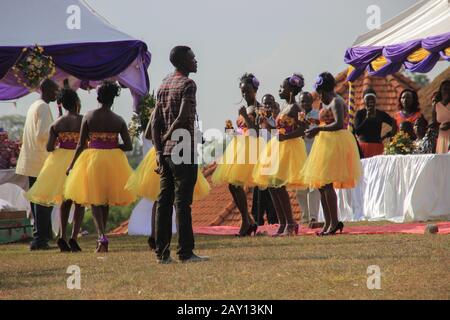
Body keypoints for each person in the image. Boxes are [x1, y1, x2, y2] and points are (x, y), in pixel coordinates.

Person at [151, 46, 208, 264]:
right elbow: (184, 117)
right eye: (192, 58)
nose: (196, 61)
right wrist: (167, 139)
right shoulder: (188, 84)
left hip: (165, 153)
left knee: (164, 201)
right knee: (182, 202)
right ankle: (185, 252)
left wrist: (158, 150)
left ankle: (162, 253)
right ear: (183, 62)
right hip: (183, 148)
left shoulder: (163, 83)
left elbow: (154, 122)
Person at [64, 81, 135, 253]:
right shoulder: (118, 120)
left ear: (98, 97)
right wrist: (113, 146)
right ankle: (101, 237)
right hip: (113, 160)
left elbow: (81, 144)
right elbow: (129, 145)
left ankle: (102, 236)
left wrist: (72, 165)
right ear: (113, 100)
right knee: (105, 199)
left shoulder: (88, 116)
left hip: (93, 158)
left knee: (95, 199)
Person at [125, 112, 211, 250]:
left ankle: (165, 236)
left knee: (167, 198)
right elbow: (149, 134)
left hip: (170, 153)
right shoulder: (173, 109)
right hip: (171, 153)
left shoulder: (170, 110)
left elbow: (149, 135)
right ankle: (164, 236)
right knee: (170, 198)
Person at [300, 72, 362, 236]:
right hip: (324, 143)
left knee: (327, 184)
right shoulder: (325, 103)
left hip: (336, 143)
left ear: (322, 90)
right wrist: (314, 125)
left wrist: (318, 128)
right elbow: (326, 121)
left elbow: (339, 124)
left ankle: (334, 222)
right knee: (321, 184)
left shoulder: (336, 101)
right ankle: (328, 222)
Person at [26, 88, 85, 252]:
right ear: (77, 103)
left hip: (59, 161)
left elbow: (50, 147)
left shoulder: (57, 123)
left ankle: (62, 236)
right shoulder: (83, 120)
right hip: (79, 159)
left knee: (64, 201)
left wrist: (62, 143)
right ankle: (73, 237)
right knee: (79, 200)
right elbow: (87, 141)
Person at [253, 74, 308, 236]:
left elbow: (303, 129)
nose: (280, 90)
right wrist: (266, 125)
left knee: (278, 185)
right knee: (271, 185)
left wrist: (286, 137)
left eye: (282, 88)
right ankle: (283, 223)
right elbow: (278, 131)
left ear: (291, 91)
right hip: (277, 145)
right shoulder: (284, 107)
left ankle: (290, 223)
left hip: (289, 147)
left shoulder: (296, 108)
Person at [212, 73, 261, 237]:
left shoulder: (259, 108)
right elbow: (243, 132)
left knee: (235, 184)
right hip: (240, 146)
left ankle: (247, 222)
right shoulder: (243, 109)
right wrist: (231, 131)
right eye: (242, 91)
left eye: (247, 91)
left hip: (252, 148)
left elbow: (256, 132)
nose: (245, 94)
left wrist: (246, 116)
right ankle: (248, 220)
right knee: (233, 185)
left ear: (255, 89)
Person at [16, 79, 59, 251]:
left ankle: (41, 236)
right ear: (46, 90)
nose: (56, 94)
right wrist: (57, 141)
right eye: (54, 91)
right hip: (40, 160)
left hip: (31, 159)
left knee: (37, 201)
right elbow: (43, 134)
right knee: (42, 202)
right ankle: (40, 239)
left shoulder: (34, 105)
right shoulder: (43, 107)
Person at [295, 91, 321, 227]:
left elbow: (320, 132)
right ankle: (305, 217)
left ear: (311, 102)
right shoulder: (297, 116)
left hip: (314, 153)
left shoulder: (318, 114)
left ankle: (313, 218)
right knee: (300, 189)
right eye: (301, 101)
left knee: (313, 187)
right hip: (299, 155)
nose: (304, 104)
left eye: (306, 101)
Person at [251, 93, 278, 226]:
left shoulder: (277, 120)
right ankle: (258, 220)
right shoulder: (259, 120)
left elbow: (278, 135)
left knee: (273, 191)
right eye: (264, 103)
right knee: (259, 191)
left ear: (273, 105)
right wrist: (257, 123)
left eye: (269, 103)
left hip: (274, 159)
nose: (267, 106)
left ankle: (274, 220)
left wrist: (267, 124)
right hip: (261, 159)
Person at [354, 88, 396, 158]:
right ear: (364, 101)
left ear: (375, 100)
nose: (370, 101)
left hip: (377, 147)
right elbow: (357, 132)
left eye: (372, 99)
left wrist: (387, 136)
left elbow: (394, 122)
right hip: (363, 147)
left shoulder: (380, 114)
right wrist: (367, 118)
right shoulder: (360, 113)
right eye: (368, 99)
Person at [434, 80, 450, 154]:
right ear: (440, 90)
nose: (447, 91)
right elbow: (434, 124)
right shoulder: (436, 106)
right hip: (441, 137)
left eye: (449, 89)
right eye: (444, 89)